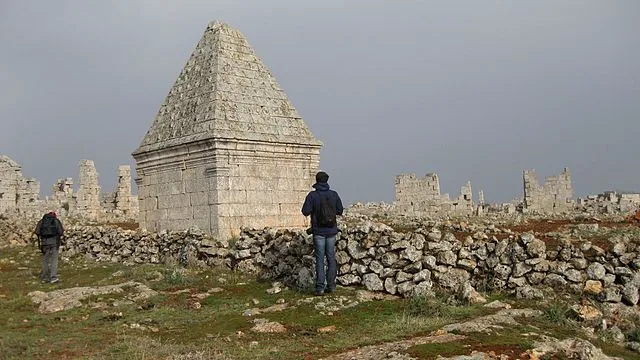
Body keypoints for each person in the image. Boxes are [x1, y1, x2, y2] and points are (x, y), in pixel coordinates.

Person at [302, 171, 344, 296]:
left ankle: (320, 287)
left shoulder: (312, 196)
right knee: (331, 258)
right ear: (327, 180)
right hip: (331, 231)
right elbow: (340, 210)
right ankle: (331, 286)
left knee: (320, 259)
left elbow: (305, 211)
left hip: (318, 231)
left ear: (317, 180)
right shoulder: (334, 194)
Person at [34, 211, 64, 284]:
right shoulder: (56, 221)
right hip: (54, 242)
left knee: (45, 260)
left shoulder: (41, 221)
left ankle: (45, 277)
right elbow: (61, 232)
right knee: (54, 260)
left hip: (44, 243)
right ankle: (53, 277)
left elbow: (37, 232)